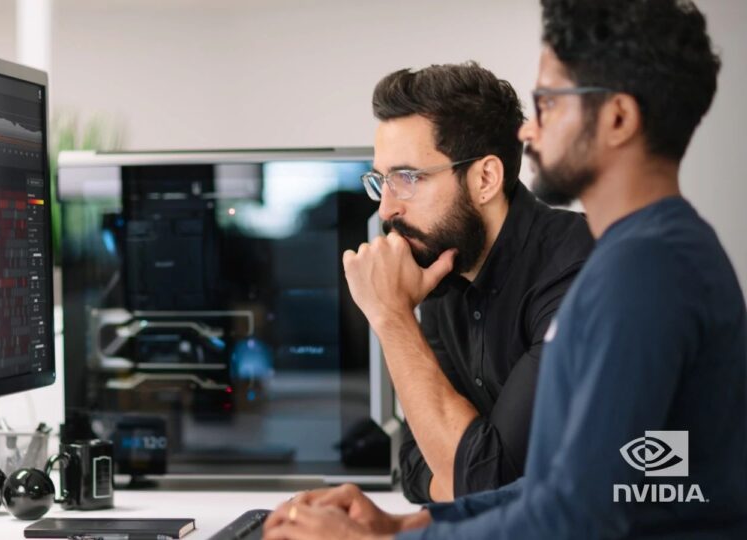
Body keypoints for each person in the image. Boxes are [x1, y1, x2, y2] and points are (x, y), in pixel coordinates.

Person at [263, 0, 747, 538]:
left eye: (549, 103)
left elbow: (574, 514)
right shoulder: (639, 255)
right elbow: (565, 484)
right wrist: (407, 525)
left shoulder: (647, 270)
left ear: (616, 119)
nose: (529, 132)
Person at [361, 62, 594, 503]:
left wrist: (391, 317)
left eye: (406, 178)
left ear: (485, 178)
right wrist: (460, 469)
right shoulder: (444, 274)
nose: (385, 209)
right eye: (381, 180)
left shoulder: (584, 273)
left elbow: (487, 483)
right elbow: (416, 465)